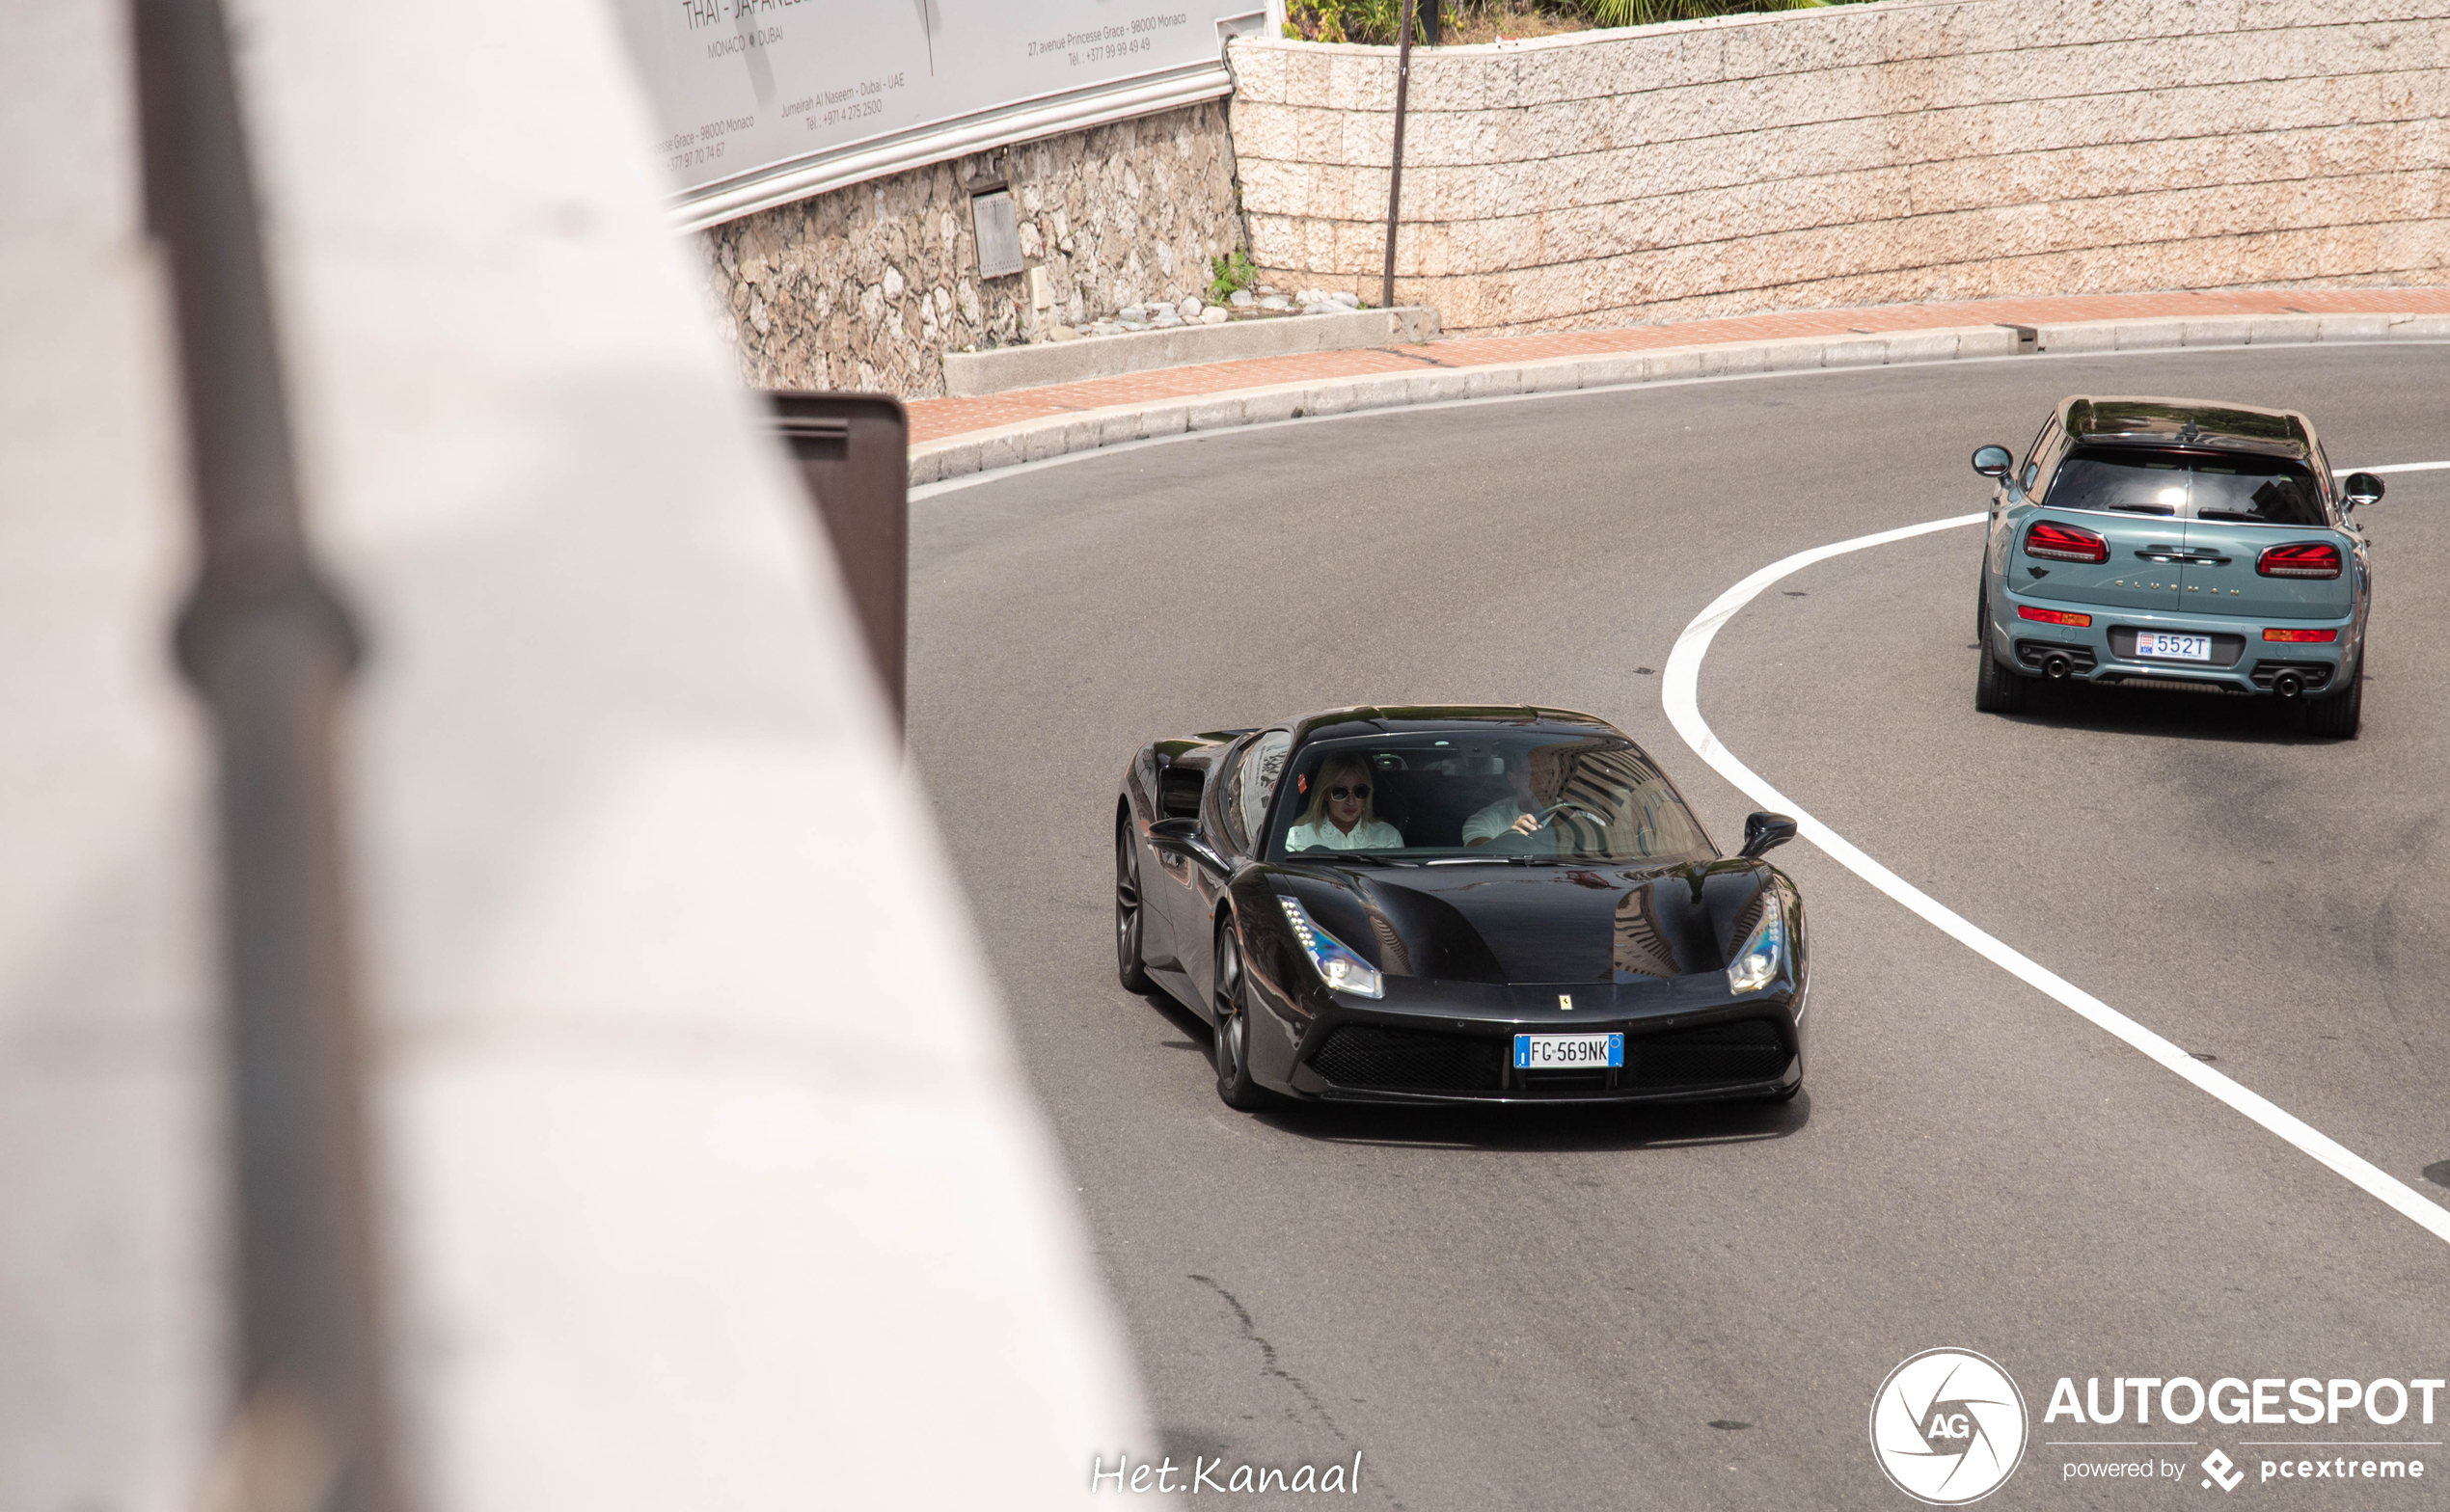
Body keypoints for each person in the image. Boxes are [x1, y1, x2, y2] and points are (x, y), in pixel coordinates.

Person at [1284, 754, 1402, 851]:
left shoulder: (1388, 838)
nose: (1351, 801)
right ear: (1325, 794)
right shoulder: (1297, 840)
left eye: (1359, 791)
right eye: (1340, 792)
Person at [1463, 756, 1552, 847]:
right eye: (1530, 774)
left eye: (1548, 773)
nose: (1542, 783)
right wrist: (1513, 837)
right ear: (1513, 779)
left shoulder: (1566, 812)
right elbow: (1480, 855)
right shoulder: (1487, 820)